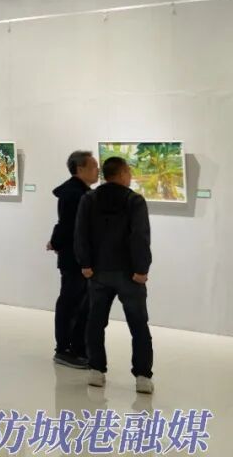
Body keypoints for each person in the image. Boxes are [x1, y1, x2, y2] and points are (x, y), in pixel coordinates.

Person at [74, 156, 154, 394]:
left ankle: (96, 370)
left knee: (96, 322)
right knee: (138, 325)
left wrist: (85, 263)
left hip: (98, 272)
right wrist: (141, 269)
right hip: (129, 274)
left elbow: (81, 233)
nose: (130, 176)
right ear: (121, 174)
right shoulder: (134, 201)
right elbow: (140, 236)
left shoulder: (89, 199)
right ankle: (142, 376)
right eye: (128, 172)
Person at [48, 150, 98, 369]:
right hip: (74, 258)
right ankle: (64, 349)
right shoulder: (73, 194)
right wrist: (57, 242)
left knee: (82, 304)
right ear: (80, 169)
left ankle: (78, 347)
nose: (97, 170)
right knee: (70, 303)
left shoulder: (81, 192)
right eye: (93, 166)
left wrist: (55, 242)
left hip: (82, 257)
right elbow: (68, 225)